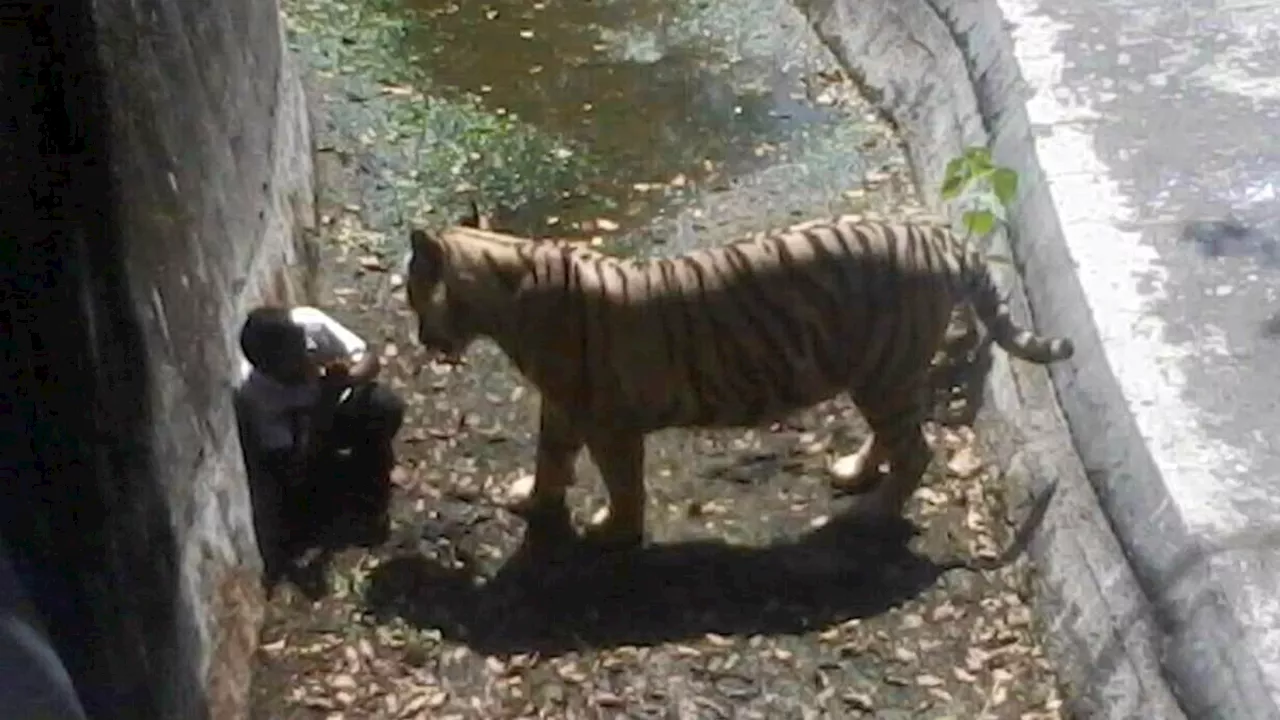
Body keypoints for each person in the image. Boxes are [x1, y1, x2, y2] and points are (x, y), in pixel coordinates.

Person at [233, 305, 404, 575]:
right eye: (291, 361)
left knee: (383, 405)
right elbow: (291, 463)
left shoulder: (311, 325)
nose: (304, 360)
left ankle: (370, 481)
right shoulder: (256, 396)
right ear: (268, 369)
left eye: (302, 349)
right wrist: (319, 415)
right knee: (295, 499)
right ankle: (338, 499)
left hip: (337, 404)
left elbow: (370, 359)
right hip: (307, 438)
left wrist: (346, 379)